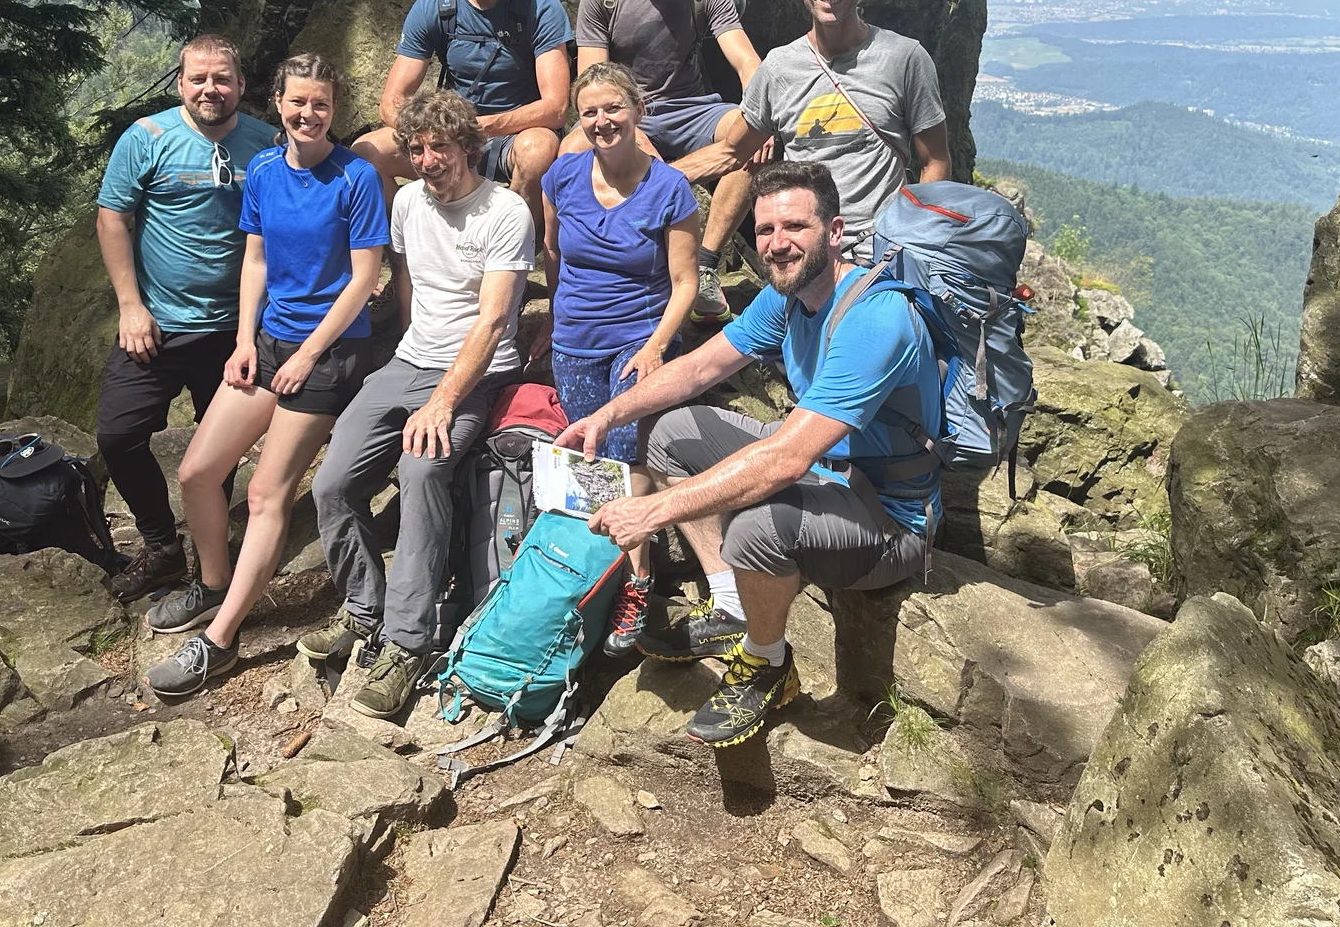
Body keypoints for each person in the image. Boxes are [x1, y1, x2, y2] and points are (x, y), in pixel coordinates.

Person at [557, 161, 943, 748]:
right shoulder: (788, 298)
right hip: (824, 472)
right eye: (764, 231)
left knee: (757, 527)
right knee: (669, 431)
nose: (777, 244)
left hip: (889, 518)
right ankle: (736, 607)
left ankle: (768, 665)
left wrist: (652, 513)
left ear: (834, 232)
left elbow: (785, 459)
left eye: (795, 227)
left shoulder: (876, 317)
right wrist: (608, 415)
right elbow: (701, 367)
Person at [143, 54, 387, 700]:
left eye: (321, 105)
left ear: (334, 110)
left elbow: (364, 278)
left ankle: (220, 640)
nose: (308, 114)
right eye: (297, 102)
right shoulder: (266, 172)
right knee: (197, 472)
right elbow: (255, 259)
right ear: (278, 103)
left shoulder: (356, 177)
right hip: (268, 344)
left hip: (329, 354)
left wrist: (308, 354)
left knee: (266, 494)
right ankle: (214, 583)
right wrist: (245, 340)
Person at [306, 88, 534, 719]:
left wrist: (440, 402)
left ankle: (408, 643)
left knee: (421, 469)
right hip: (407, 361)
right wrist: (409, 359)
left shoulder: (505, 211)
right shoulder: (406, 201)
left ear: (469, 147)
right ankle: (363, 611)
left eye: (441, 147)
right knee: (332, 483)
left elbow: (491, 324)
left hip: (475, 370)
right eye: (416, 149)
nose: (428, 160)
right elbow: (408, 282)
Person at [94, 34, 279, 602]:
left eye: (222, 78)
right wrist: (131, 306)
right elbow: (112, 219)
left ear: (241, 86)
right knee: (118, 434)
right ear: (180, 82)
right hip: (158, 323)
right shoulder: (146, 138)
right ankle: (160, 546)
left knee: (215, 453)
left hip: (235, 330)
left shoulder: (268, 144)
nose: (210, 89)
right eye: (198, 78)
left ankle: (209, 558)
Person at [679, 0, 951, 263]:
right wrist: (647, 178)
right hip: (801, 259)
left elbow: (936, 159)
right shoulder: (778, 68)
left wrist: (913, 243)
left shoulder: (905, 59)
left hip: (878, 260)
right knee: (744, 323)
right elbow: (732, 152)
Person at [543, 62, 700, 655]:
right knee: (590, 459)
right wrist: (552, 320)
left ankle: (637, 582)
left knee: (627, 452)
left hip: (640, 338)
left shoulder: (669, 189)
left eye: (614, 108)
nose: (603, 121)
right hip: (575, 337)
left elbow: (685, 281)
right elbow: (554, 254)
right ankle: (590, 576)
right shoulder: (560, 177)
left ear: (638, 111)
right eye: (590, 112)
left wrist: (657, 347)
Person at [568, 0, 764, 321]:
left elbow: (747, 63)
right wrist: (636, 139)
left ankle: (706, 264)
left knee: (751, 136)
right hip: (629, 113)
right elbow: (592, 86)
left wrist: (760, 117)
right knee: (572, 148)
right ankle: (597, 267)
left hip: (694, 109)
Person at [354, 0, 572, 232]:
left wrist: (476, 128)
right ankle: (413, 249)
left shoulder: (539, 6)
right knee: (366, 154)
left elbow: (556, 107)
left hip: (512, 136)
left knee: (538, 152)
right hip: (447, 135)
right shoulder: (435, 5)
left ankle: (507, 250)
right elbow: (391, 101)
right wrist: (431, 135)